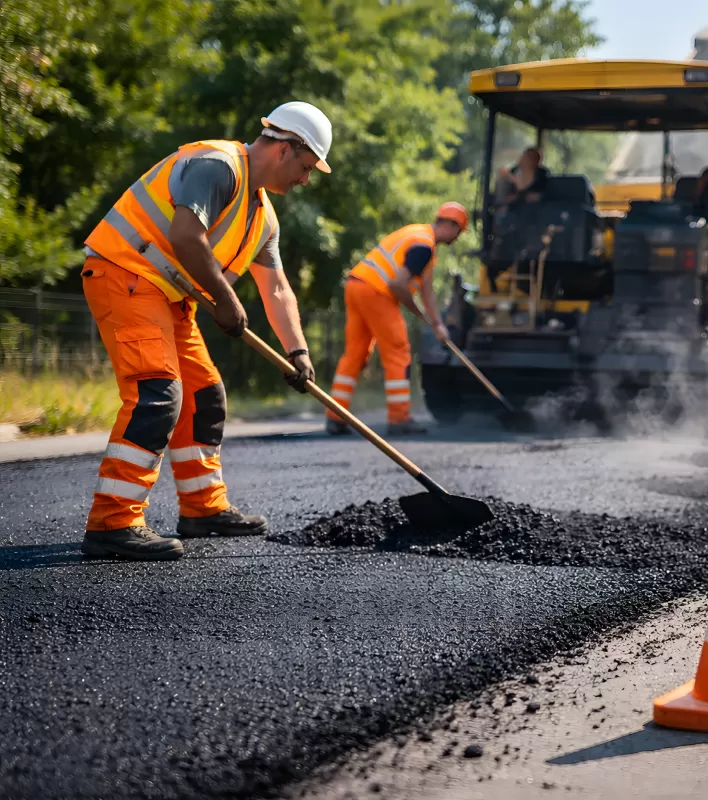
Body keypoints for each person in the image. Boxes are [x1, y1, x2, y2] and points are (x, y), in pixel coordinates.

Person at [79, 101, 333, 561]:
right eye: (306, 165)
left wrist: (298, 352)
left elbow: (276, 289)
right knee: (158, 393)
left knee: (205, 396)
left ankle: (202, 508)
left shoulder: (264, 218)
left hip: (170, 298)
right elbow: (184, 237)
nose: (305, 179)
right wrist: (224, 299)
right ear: (285, 149)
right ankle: (113, 521)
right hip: (127, 274)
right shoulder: (218, 167)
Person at [325, 203, 469, 436]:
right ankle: (399, 418)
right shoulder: (423, 246)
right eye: (459, 231)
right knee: (398, 351)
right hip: (376, 292)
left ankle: (335, 416)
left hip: (356, 284)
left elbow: (427, 291)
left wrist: (437, 324)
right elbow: (398, 284)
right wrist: (417, 312)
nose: (458, 237)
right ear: (451, 225)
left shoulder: (418, 236)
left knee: (355, 354)